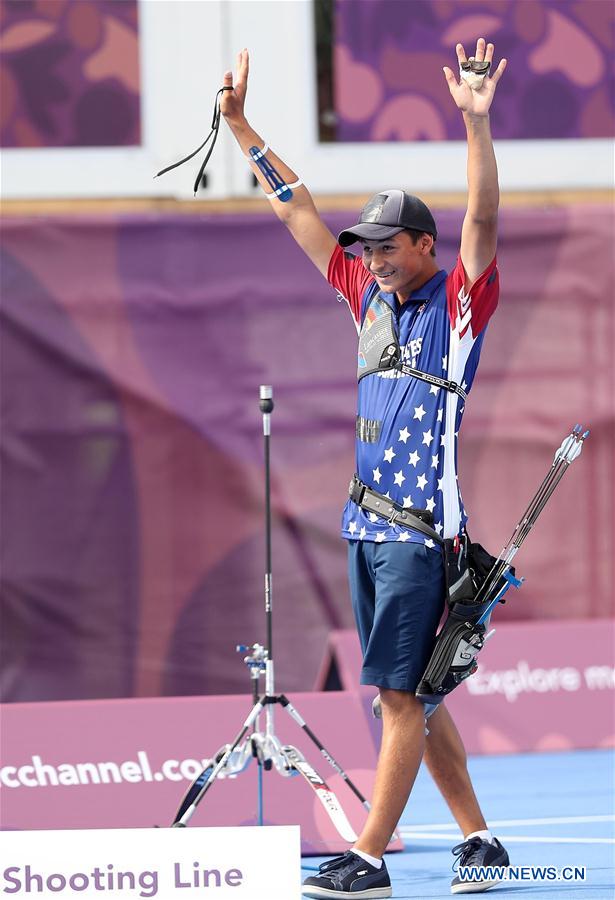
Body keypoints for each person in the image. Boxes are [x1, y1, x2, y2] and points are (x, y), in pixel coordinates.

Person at [221, 39, 509, 899]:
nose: (374, 258)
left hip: (421, 538)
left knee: (397, 698)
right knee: (411, 694)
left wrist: (474, 124)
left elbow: (483, 221)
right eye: (368, 249)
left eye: (389, 247)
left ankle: (372, 859)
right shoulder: (367, 299)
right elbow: (295, 211)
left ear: (425, 245)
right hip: (365, 525)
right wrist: (240, 128)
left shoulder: (457, 305)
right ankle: (481, 841)